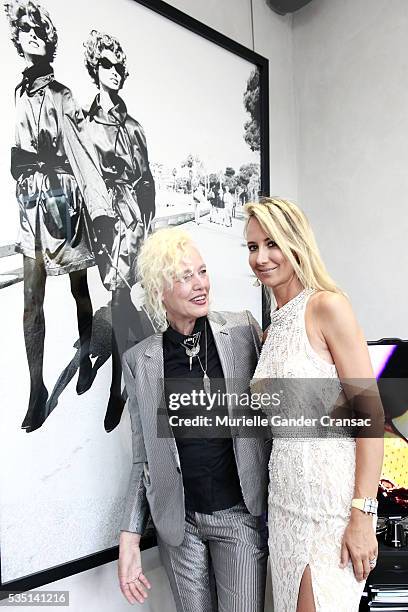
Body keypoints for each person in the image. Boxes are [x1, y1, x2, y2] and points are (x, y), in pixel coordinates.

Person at [118, 227, 270, 611]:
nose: (200, 284)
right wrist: (130, 536)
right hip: (179, 526)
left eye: (202, 272)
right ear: (159, 292)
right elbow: (144, 459)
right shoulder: (142, 361)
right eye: (185, 277)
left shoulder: (242, 331)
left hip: (238, 516)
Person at [245, 197, 384, 612]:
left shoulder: (327, 306)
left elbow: (371, 417)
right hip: (284, 506)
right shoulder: (271, 331)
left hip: (331, 509)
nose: (261, 258)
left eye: (272, 243)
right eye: (252, 247)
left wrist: (363, 514)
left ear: (295, 242)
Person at [5, 0, 114, 432]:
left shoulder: (62, 94)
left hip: (62, 206)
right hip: (29, 206)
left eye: (39, 29)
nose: (31, 34)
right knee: (31, 302)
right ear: (17, 38)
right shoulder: (18, 91)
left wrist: (100, 210)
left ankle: (86, 358)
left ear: (48, 41)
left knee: (78, 289)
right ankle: (36, 390)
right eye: (24, 29)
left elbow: (83, 154)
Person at [83, 30, 156, 432]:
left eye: (117, 66)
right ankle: (120, 383)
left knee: (131, 304)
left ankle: (122, 386)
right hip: (105, 224)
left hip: (135, 226)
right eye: (105, 65)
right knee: (119, 306)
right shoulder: (84, 126)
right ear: (95, 69)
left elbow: (147, 183)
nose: (112, 72)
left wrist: (145, 231)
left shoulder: (135, 127)